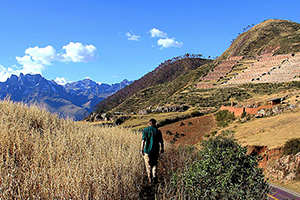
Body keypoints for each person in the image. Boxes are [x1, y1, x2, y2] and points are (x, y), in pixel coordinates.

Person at [140, 118, 164, 185]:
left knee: (148, 166)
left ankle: (150, 181)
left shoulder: (145, 130)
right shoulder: (158, 131)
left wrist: (141, 150)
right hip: (155, 151)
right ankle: (154, 176)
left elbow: (143, 140)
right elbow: (161, 141)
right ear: (155, 123)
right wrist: (162, 149)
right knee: (155, 164)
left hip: (147, 151)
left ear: (149, 123)